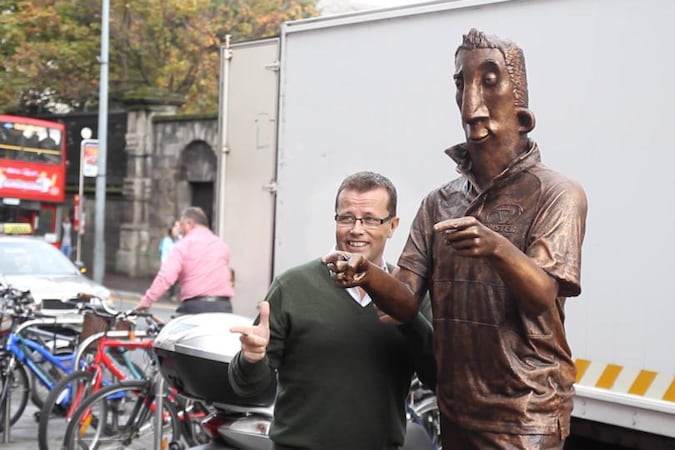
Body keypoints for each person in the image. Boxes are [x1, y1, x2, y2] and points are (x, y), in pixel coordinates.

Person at [323, 29, 588, 449]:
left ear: (521, 107)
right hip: (457, 407)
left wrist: (497, 248)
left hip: (525, 413)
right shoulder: (439, 202)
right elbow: (407, 302)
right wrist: (368, 275)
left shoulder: (557, 194)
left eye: (488, 81)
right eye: (461, 84)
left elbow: (543, 296)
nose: (472, 105)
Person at [228, 171, 436, 450]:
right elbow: (247, 388)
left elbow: (438, 379)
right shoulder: (292, 287)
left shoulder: (410, 295)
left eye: (371, 219)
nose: (356, 229)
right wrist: (252, 358)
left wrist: (406, 315)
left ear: (392, 225)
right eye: (346, 217)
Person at [135, 207, 235, 314]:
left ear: (189, 223)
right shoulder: (221, 245)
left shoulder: (183, 245)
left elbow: (165, 277)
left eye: (181, 225)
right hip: (223, 306)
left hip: (195, 307)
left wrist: (146, 302)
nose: (181, 231)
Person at [158, 220, 181, 302]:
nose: (178, 229)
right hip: (169, 264)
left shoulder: (181, 239)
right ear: (171, 229)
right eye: (176, 227)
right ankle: (171, 294)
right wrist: (163, 265)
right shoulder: (167, 240)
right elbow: (164, 255)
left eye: (179, 227)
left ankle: (171, 292)